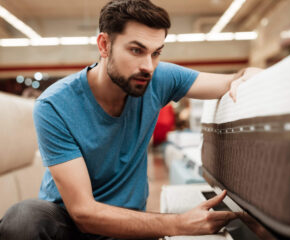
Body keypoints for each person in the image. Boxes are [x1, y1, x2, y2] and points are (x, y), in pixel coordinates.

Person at [0, 0, 261, 239]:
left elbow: (232, 80)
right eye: (136, 50)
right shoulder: (54, 106)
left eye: (156, 52)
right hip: (69, 227)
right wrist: (179, 223)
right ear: (104, 45)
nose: (148, 65)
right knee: (23, 218)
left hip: (127, 227)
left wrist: (252, 74)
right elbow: (83, 212)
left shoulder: (158, 78)